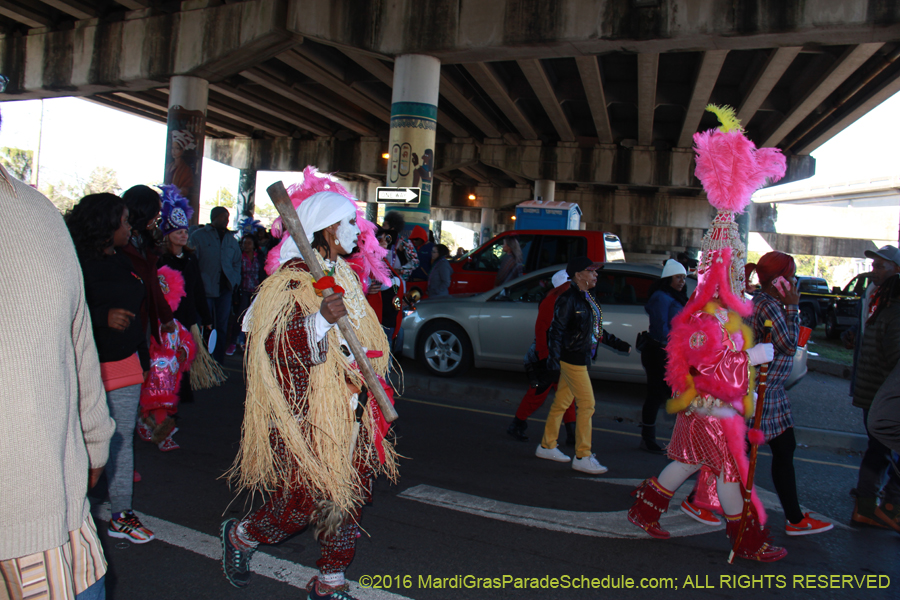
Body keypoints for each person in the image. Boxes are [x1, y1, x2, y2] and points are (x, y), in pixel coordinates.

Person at [221, 183, 398, 600]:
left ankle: (330, 581)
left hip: (354, 407)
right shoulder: (291, 281)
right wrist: (319, 322)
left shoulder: (346, 276)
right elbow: (274, 345)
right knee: (300, 501)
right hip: (310, 415)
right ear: (328, 229)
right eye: (351, 222)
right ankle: (242, 536)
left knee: (350, 494)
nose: (360, 229)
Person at [628, 104, 788, 562]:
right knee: (729, 473)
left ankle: (645, 510)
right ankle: (748, 542)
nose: (738, 274)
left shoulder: (716, 314)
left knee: (688, 463)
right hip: (712, 408)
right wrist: (754, 358)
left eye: (738, 266)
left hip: (710, 409)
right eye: (733, 266)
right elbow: (713, 368)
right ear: (718, 269)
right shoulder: (705, 319)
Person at [0, 162, 116, 599]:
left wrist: (94, 437)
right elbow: (82, 338)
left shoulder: (37, 211)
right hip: (53, 516)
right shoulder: (40, 211)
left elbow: (77, 339)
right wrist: (94, 441)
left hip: (50, 515)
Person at [66, 193, 156, 544]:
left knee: (120, 441)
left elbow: (142, 307)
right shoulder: (74, 262)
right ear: (105, 226)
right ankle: (73, 510)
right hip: (87, 364)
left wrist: (143, 358)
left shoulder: (123, 258)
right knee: (77, 438)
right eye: (122, 222)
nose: (129, 226)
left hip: (125, 363)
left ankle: (121, 514)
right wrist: (101, 317)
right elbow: (65, 308)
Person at [749, 251, 833, 536]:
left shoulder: (765, 301)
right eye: (792, 276)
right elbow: (788, 344)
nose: (795, 282)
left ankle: (795, 518)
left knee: (782, 451)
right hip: (764, 393)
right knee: (738, 456)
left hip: (770, 392)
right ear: (780, 281)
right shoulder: (771, 305)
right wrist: (793, 307)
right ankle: (688, 498)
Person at [536, 257, 631, 474]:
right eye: (592, 271)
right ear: (578, 275)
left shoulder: (587, 297)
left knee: (562, 402)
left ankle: (547, 445)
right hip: (573, 359)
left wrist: (618, 344)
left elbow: (595, 330)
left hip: (579, 356)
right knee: (587, 404)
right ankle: (582, 455)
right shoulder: (568, 299)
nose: (596, 275)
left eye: (596, 272)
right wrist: (552, 365)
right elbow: (556, 332)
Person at [850, 245, 900, 531]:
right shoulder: (887, 306)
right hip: (882, 392)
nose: (874, 271)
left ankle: (869, 505)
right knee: (883, 450)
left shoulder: (882, 304)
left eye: (881, 266)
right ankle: (883, 506)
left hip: (874, 389)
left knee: (878, 448)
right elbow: (893, 357)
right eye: (875, 265)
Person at [155, 185, 220, 404]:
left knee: (184, 358)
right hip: (168, 321)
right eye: (178, 232)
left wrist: (207, 319)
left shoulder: (191, 260)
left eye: (185, 232)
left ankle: (178, 397)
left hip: (188, 319)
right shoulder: (160, 261)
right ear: (168, 235)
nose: (183, 236)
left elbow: (198, 290)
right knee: (166, 360)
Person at [507, 269, 577, 445]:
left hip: (559, 357)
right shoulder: (552, 302)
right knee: (537, 395)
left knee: (566, 396)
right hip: (549, 357)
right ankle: (517, 424)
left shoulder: (564, 300)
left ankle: (572, 434)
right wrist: (545, 357)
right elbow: (541, 331)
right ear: (564, 285)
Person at [639, 259, 688, 453]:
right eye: (678, 277)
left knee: (671, 395)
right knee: (657, 395)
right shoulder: (661, 297)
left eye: (684, 278)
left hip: (670, 352)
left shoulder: (675, 296)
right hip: (659, 352)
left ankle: (677, 439)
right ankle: (648, 438)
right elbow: (661, 329)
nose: (682, 281)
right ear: (668, 278)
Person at [121, 185, 177, 341]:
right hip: (125, 322)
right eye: (155, 211)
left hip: (144, 319)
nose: (158, 216)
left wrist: (166, 317)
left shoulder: (145, 242)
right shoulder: (119, 246)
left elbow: (153, 283)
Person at [190, 206, 241, 363]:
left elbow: (237, 262)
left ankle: (218, 361)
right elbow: (192, 261)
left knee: (222, 326)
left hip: (225, 289)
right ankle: (198, 360)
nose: (226, 220)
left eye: (227, 217)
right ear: (215, 217)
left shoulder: (231, 240)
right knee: (200, 325)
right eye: (223, 217)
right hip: (204, 289)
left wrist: (235, 280)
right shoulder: (198, 236)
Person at [228, 235, 267, 354]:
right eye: (244, 243)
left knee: (253, 318)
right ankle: (233, 343)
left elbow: (263, 273)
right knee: (239, 318)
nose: (246, 246)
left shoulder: (259, 257)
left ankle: (248, 343)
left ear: (254, 245)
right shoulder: (239, 257)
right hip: (243, 291)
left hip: (256, 292)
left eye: (249, 243)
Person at [382, 211, 419, 281]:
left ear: (392, 228)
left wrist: (400, 270)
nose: (382, 227)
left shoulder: (405, 242)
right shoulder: (381, 241)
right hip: (383, 280)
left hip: (398, 280)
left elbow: (415, 262)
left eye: (384, 225)